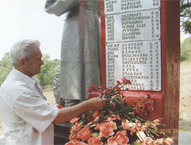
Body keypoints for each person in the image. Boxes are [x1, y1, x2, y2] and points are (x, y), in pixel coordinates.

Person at [0, 40, 106, 145]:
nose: (42, 62)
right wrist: (89, 104)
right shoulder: (17, 89)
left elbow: (42, 112)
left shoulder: (27, 82)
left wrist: (55, 108)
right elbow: (54, 118)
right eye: (38, 59)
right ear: (22, 62)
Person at [44, 0, 101, 106]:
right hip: (79, 23)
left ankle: (87, 108)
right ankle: (76, 108)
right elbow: (52, 7)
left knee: (90, 69)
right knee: (76, 69)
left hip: (90, 23)